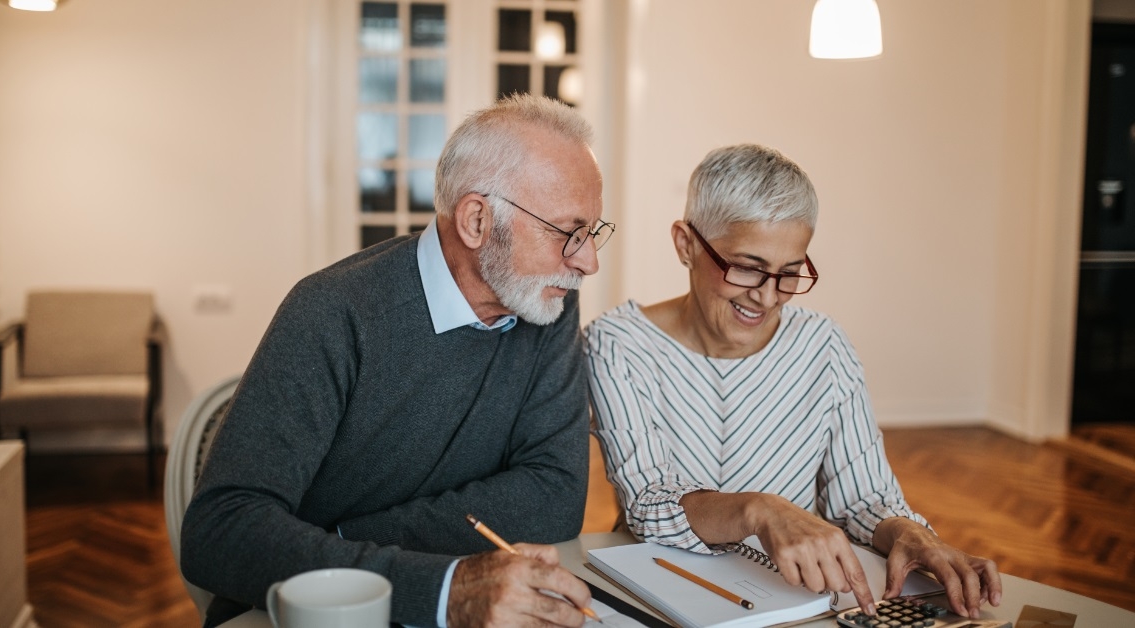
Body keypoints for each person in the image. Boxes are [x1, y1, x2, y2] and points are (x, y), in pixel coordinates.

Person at [181, 93, 615, 628]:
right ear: (476, 220)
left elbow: (555, 497)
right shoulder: (333, 311)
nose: (587, 262)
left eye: (592, 233)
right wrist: (442, 589)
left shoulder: (546, 303)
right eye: (568, 232)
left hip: (443, 596)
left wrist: (345, 544)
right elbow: (219, 532)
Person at [585, 144, 1001, 620]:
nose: (767, 298)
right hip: (662, 594)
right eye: (747, 267)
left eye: (788, 273)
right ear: (686, 245)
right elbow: (648, 504)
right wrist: (760, 510)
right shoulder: (618, 344)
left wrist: (910, 533)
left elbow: (864, 499)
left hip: (797, 601)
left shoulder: (823, 346)